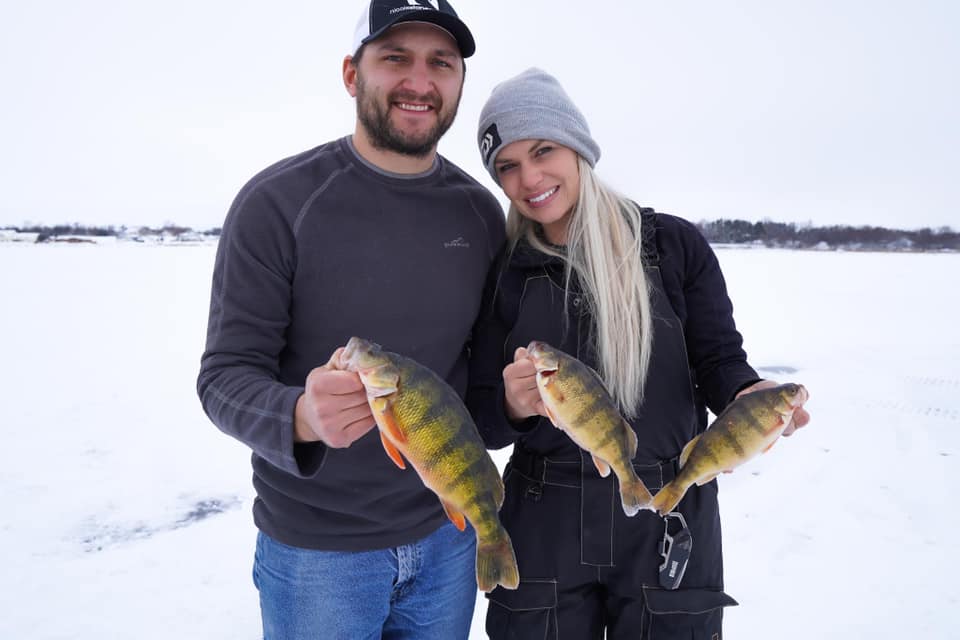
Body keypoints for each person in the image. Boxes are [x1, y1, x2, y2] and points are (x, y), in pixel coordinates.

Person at [196, 2, 506, 638]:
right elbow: (224, 376)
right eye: (395, 58)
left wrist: (520, 401)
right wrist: (301, 416)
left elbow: (476, 387)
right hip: (317, 558)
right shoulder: (277, 203)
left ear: (458, 84)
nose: (419, 82)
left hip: (448, 541)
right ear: (351, 74)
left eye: (440, 63)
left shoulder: (480, 215)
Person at [466, 68, 811, 639]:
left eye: (543, 150)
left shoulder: (674, 247)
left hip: (668, 508)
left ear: (578, 147)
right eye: (507, 165)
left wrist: (745, 394)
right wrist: (509, 402)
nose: (529, 178)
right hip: (543, 516)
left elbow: (720, 359)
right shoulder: (504, 273)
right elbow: (481, 418)